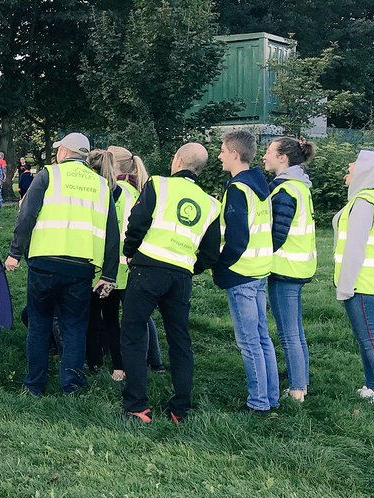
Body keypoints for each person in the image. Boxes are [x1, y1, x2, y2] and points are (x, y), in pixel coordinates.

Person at [4, 133, 119, 396]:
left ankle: (34, 385)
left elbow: (26, 217)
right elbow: (112, 234)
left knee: (39, 323)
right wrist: (109, 275)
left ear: (65, 152)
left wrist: (14, 254)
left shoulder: (48, 175)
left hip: (44, 262)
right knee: (75, 326)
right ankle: (72, 385)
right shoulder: (102, 185)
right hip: (81, 267)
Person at [119, 142, 221, 423]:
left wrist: (130, 252)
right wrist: (190, 266)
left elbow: (137, 222)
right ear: (200, 168)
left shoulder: (158, 184)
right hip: (181, 276)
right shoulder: (212, 204)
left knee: (133, 333)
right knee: (180, 339)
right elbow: (211, 253)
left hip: (147, 268)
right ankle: (180, 408)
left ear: (176, 160)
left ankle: (137, 406)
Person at [216, 129, 278, 414]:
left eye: (222, 150)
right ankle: (271, 396)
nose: (219, 155)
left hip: (241, 272)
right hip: (260, 269)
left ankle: (258, 402)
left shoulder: (238, 189)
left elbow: (237, 238)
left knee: (249, 341)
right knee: (262, 337)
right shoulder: (260, 185)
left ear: (234, 154)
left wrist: (220, 266)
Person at [334, 150, 374, 405]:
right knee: (367, 339)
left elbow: (355, 248)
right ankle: (372, 388)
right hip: (369, 283)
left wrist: (345, 286)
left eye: (357, 163)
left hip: (367, 285)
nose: (350, 165)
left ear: (367, 171)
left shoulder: (364, 202)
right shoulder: (366, 198)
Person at [264, 136, 318, 402]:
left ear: (283, 157)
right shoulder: (299, 186)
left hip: (284, 268)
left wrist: (259, 254)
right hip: (297, 267)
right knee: (295, 329)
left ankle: (297, 389)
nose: (265, 156)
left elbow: (277, 233)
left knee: (288, 333)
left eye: (269, 152)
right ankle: (301, 378)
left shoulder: (285, 189)